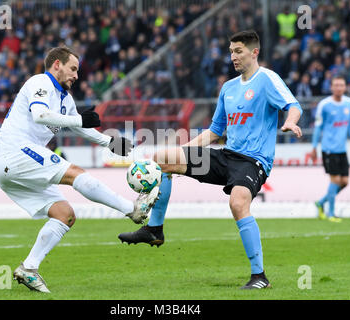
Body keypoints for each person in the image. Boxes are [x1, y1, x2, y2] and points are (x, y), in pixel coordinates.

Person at [118, 30, 303, 289]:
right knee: (162, 159)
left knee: (238, 203)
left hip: (253, 161)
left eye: (238, 51)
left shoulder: (267, 79)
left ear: (254, 52)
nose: (233, 57)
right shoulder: (228, 88)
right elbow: (215, 132)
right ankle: (154, 230)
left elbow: (293, 106)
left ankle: (259, 276)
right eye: (231, 52)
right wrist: (185, 151)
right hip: (226, 156)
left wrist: (290, 123)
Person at [0, 47, 160, 293]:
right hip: (14, 152)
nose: (76, 76)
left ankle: (29, 268)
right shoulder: (40, 82)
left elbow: (80, 128)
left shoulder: (65, 99)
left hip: (14, 168)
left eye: (77, 71)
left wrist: (110, 142)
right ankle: (133, 210)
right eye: (73, 69)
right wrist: (80, 119)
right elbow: (40, 115)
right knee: (75, 173)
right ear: (57, 64)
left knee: (65, 214)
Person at [311, 75, 350, 223]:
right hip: (328, 149)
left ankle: (321, 202)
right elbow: (318, 128)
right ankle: (331, 213)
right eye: (336, 85)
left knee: (344, 182)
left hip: (342, 149)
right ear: (331, 87)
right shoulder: (324, 105)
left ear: (345, 87)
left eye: (341, 85)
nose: (339, 88)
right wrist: (314, 147)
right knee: (335, 180)